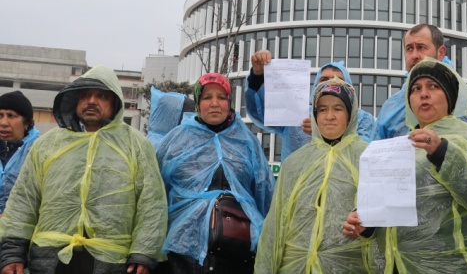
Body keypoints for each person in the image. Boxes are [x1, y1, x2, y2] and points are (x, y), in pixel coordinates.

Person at [0, 65, 167, 274]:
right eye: (85, 95)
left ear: (114, 101)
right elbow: (24, 200)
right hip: (49, 259)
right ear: (75, 100)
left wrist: (144, 252)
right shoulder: (47, 145)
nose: (91, 101)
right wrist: (13, 252)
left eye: (101, 96)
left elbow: (151, 203)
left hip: (112, 260)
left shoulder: (136, 146)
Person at [345, 58, 467, 273]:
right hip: (397, 266)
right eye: (416, 88)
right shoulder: (397, 146)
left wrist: (442, 152)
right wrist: (366, 223)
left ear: (449, 95)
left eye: (433, 87)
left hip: (450, 265)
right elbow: (388, 206)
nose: (424, 94)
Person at [156, 72, 275, 274]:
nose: (214, 103)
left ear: (229, 102)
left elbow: (265, 193)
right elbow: (155, 193)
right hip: (183, 251)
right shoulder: (176, 140)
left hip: (238, 249)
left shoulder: (246, 141)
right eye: (207, 97)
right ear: (198, 103)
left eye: (221, 97)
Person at [255, 78, 372, 274]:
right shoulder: (295, 163)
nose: (329, 116)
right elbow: (275, 225)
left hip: (349, 267)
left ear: (351, 114)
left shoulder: (368, 157)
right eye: (323, 109)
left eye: (338, 108)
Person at [245, 51, 376, 161]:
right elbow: (261, 112)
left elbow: (366, 155)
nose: (331, 83)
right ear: (315, 86)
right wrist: (258, 75)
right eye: (324, 80)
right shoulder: (297, 112)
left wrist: (325, 132)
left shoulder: (363, 120)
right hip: (298, 187)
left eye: (338, 80)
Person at [376, 23, 467, 141]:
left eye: (421, 47)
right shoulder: (390, 108)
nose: (415, 55)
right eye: (409, 48)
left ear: (440, 53)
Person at [0, 91, 40, 214]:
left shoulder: (38, 151)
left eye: (11, 116)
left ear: (27, 123)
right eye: (0, 115)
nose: (4, 123)